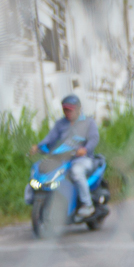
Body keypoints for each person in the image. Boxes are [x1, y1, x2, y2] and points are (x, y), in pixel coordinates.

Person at [35, 91, 100, 220]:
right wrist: (38, 146)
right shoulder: (61, 124)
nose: (67, 112)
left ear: (79, 109)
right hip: (64, 159)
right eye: (65, 110)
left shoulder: (88, 122)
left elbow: (94, 139)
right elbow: (50, 138)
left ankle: (88, 205)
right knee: (42, 169)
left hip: (83, 159)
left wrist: (85, 149)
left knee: (76, 171)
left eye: (70, 110)